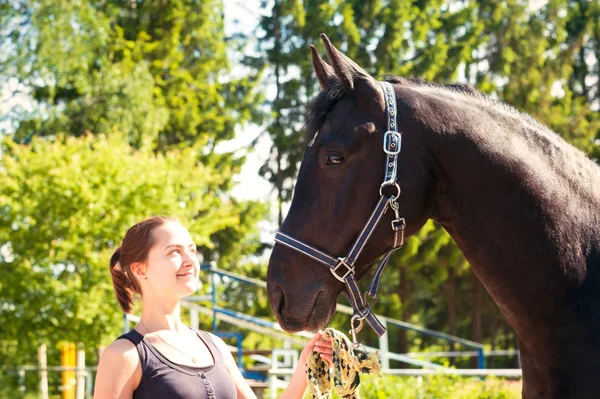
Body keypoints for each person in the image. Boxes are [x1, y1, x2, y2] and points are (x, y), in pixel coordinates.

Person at [94, 216, 332, 399]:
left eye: (192, 250)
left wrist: (305, 367)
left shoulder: (214, 346)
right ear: (139, 269)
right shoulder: (124, 356)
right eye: (174, 252)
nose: (190, 261)